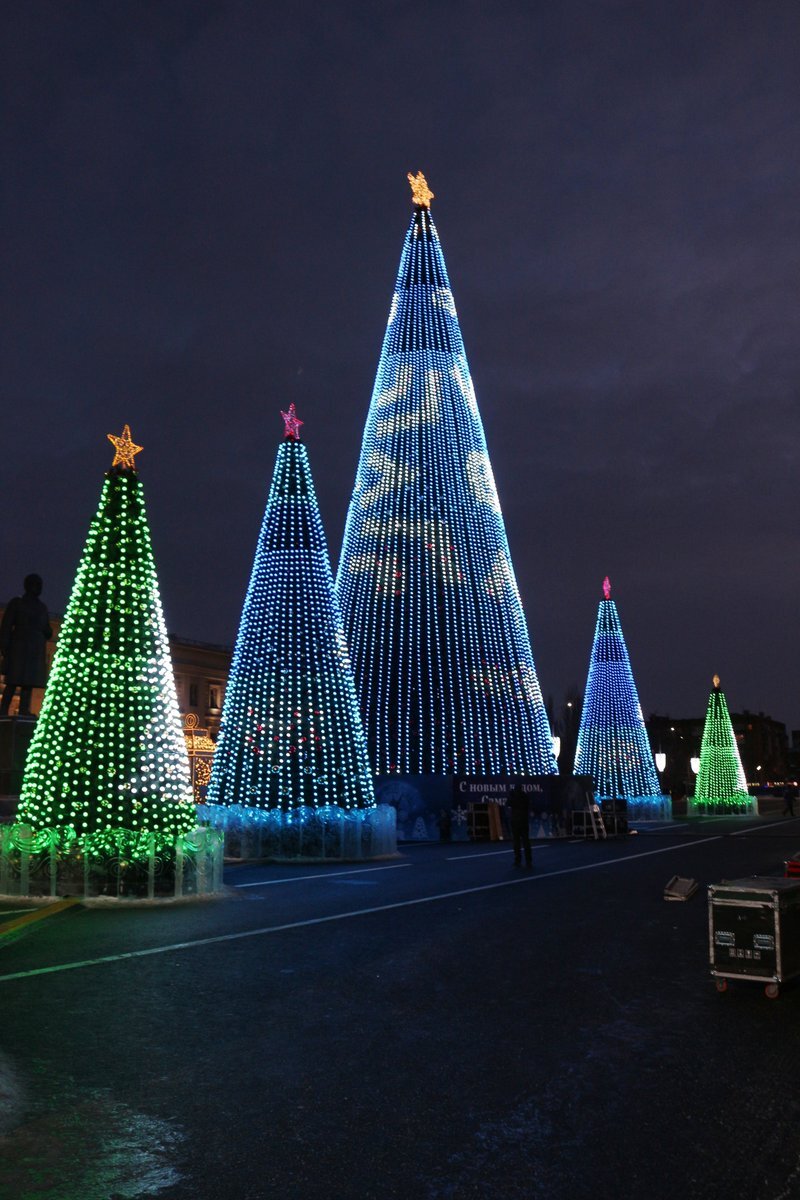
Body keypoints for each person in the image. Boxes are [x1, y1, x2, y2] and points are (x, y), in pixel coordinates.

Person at [0, 574, 52, 718]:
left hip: (34, 649)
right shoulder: (17, 603)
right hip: (18, 646)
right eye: (36, 584)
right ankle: (3, 710)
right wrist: (5, 647)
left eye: (40, 585)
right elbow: (6, 626)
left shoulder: (42, 607)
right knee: (13, 681)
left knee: (28, 683)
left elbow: (48, 630)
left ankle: (24, 709)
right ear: (28, 585)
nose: (38, 587)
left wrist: (46, 631)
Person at [506, 784, 532, 869]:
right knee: (526, 842)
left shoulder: (513, 797)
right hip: (523, 820)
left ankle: (518, 859)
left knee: (516, 842)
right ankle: (528, 860)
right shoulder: (525, 796)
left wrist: (510, 795)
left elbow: (508, 804)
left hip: (515, 821)